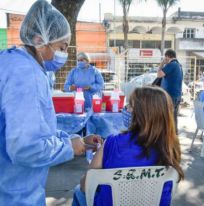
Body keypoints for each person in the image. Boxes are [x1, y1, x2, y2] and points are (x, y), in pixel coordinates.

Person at [0, 1, 101, 205]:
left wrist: (75, 140)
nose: (63, 54)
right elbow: (25, 147)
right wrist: (68, 147)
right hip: (15, 193)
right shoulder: (27, 74)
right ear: (39, 40)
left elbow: (36, 128)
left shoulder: (11, 61)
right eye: (61, 48)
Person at [72, 86, 184, 206]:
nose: (126, 109)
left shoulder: (112, 143)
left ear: (140, 114)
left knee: (78, 190)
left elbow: (86, 184)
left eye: (129, 105)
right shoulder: (172, 147)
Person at [157, 49, 183, 134]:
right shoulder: (179, 65)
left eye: (165, 57)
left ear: (168, 56)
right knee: (173, 117)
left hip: (170, 95)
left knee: (167, 117)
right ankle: (174, 135)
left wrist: (162, 63)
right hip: (176, 95)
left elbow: (159, 74)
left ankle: (168, 137)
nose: (165, 59)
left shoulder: (172, 64)